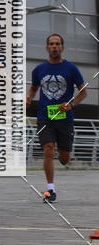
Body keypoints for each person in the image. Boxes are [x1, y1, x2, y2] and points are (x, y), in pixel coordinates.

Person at [26, 33, 87, 203]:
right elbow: (34, 88)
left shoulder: (71, 69)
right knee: (48, 149)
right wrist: (28, 97)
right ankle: (50, 189)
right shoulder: (39, 70)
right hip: (45, 117)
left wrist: (71, 104)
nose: (54, 47)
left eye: (57, 44)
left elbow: (84, 92)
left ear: (62, 47)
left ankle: (64, 154)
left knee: (64, 158)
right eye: (51, 44)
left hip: (65, 118)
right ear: (47, 48)